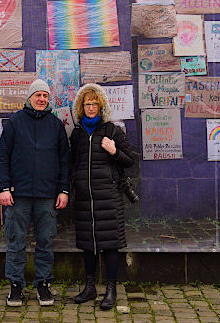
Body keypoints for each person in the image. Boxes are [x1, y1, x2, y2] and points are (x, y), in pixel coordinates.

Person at [0, 79, 70, 307]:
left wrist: (64, 190)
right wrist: (4, 188)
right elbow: (2, 157)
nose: (41, 99)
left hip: (48, 195)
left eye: (45, 96)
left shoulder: (56, 125)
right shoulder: (15, 123)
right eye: (38, 95)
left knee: (45, 241)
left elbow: (65, 162)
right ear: (29, 97)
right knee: (16, 240)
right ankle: (16, 286)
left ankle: (43, 284)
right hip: (18, 195)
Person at [69, 83, 135, 311]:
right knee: (88, 244)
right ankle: (89, 288)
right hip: (85, 197)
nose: (91, 107)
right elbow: (73, 163)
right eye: (87, 103)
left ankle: (111, 289)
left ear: (101, 105)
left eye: (95, 103)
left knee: (110, 245)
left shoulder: (112, 131)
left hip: (108, 196)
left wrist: (114, 150)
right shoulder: (77, 134)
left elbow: (130, 160)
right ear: (81, 106)